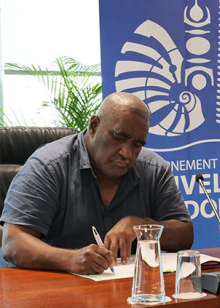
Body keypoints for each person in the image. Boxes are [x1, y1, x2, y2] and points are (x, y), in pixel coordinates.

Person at [0, 92, 193, 274]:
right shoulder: (48, 165)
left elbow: (184, 235)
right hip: (52, 291)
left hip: (127, 292)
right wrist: (71, 259)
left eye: (137, 144)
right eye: (118, 137)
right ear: (93, 126)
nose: (127, 153)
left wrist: (142, 225)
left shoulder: (154, 169)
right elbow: (12, 242)